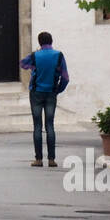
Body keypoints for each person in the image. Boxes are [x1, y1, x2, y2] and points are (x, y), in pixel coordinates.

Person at [20, 31, 69, 168]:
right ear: (51, 41)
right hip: (51, 92)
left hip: (36, 93)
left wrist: (33, 65)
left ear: (40, 42)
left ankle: (39, 159)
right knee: (50, 125)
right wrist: (58, 89)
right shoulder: (58, 55)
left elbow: (23, 64)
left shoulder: (36, 56)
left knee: (37, 126)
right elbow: (65, 77)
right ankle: (52, 159)